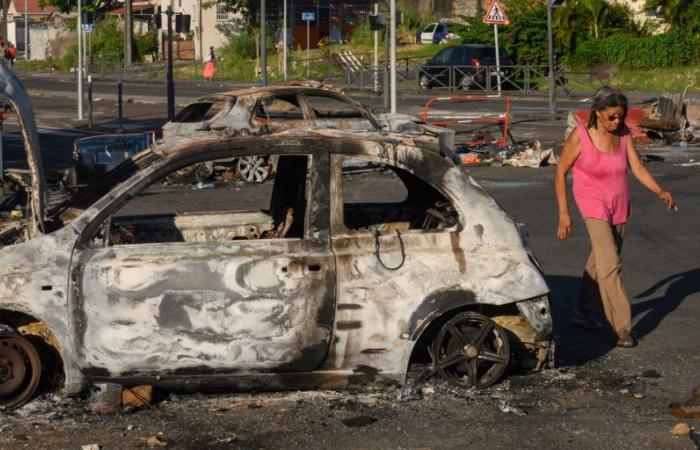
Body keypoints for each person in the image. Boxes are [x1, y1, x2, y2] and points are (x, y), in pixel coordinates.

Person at [555, 86, 677, 348]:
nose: (617, 121)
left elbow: (637, 167)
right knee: (611, 264)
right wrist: (564, 213)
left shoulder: (623, 135)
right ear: (597, 113)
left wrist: (659, 190)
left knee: (600, 261)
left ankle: (583, 311)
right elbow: (560, 171)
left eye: (620, 116)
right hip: (591, 203)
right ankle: (622, 327)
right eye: (611, 116)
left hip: (619, 202)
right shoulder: (581, 136)